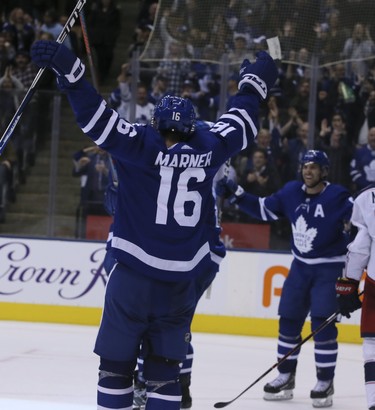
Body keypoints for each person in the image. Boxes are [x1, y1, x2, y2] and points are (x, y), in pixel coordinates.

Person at [30, 39, 278, 409]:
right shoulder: (211, 145)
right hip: (180, 283)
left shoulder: (140, 143)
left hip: (132, 276)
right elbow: (240, 121)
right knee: (164, 372)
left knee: (115, 369)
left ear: (156, 123)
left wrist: (71, 71)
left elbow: (94, 116)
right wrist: (252, 85)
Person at [217, 150, 354, 408]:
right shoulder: (291, 192)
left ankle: (325, 381)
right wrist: (236, 193)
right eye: (305, 166)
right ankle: (285, 376)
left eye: (314, 167)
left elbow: (361, 223)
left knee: (321, 326)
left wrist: (355, 264)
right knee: (288, 321)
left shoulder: (338, 197)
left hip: (328, 269)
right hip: (300, 268)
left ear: (324, 171)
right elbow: (263, 210)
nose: (308, 171)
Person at [335, 184, 374, 410]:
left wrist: (349, 283)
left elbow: (360, 247)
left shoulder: (367, 196)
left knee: (372, 345)